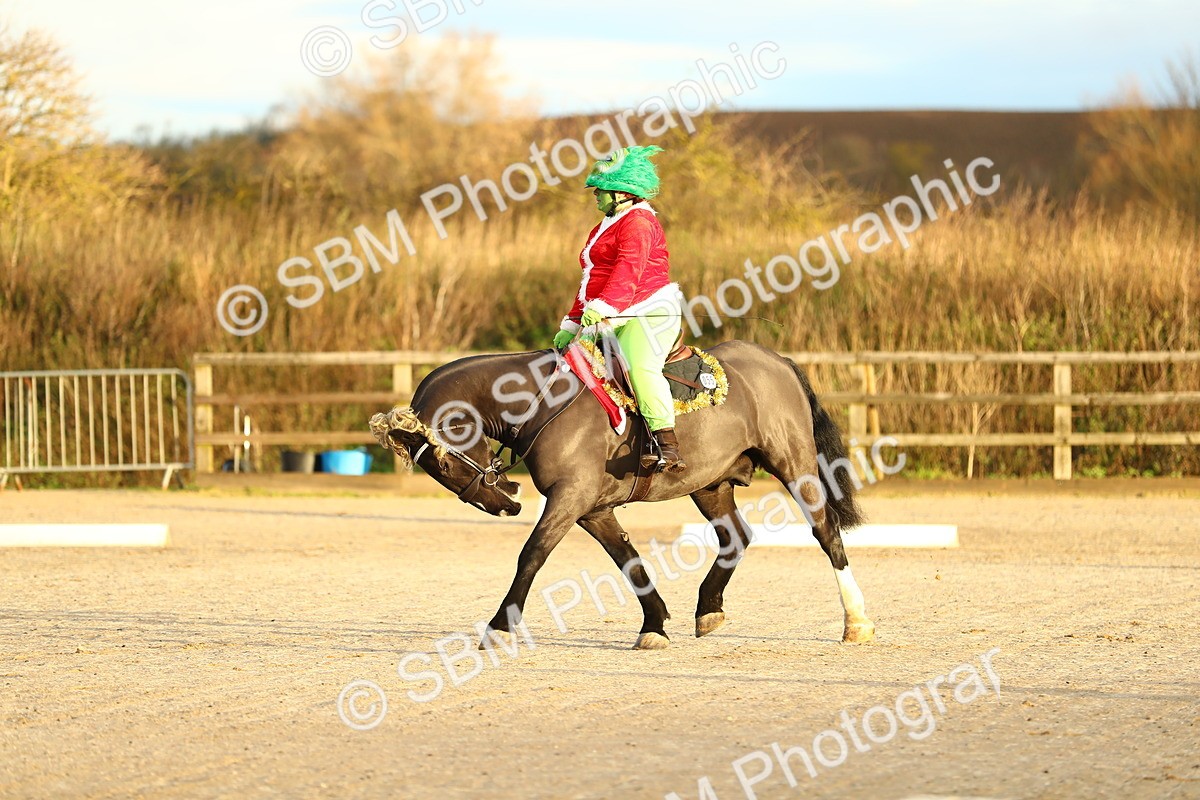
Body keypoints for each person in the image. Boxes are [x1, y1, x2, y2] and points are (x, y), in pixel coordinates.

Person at [553, 145, 687, 472]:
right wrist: (572, 322)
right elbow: (592, 278)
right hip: (613, 314)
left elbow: (630, 268)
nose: (596, 195)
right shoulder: (604, 226)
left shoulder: (639, 223)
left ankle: (668, 445)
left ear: (623, 194)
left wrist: (605, 306)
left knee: (639, 366)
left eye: (601, 191)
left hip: (650, 312)